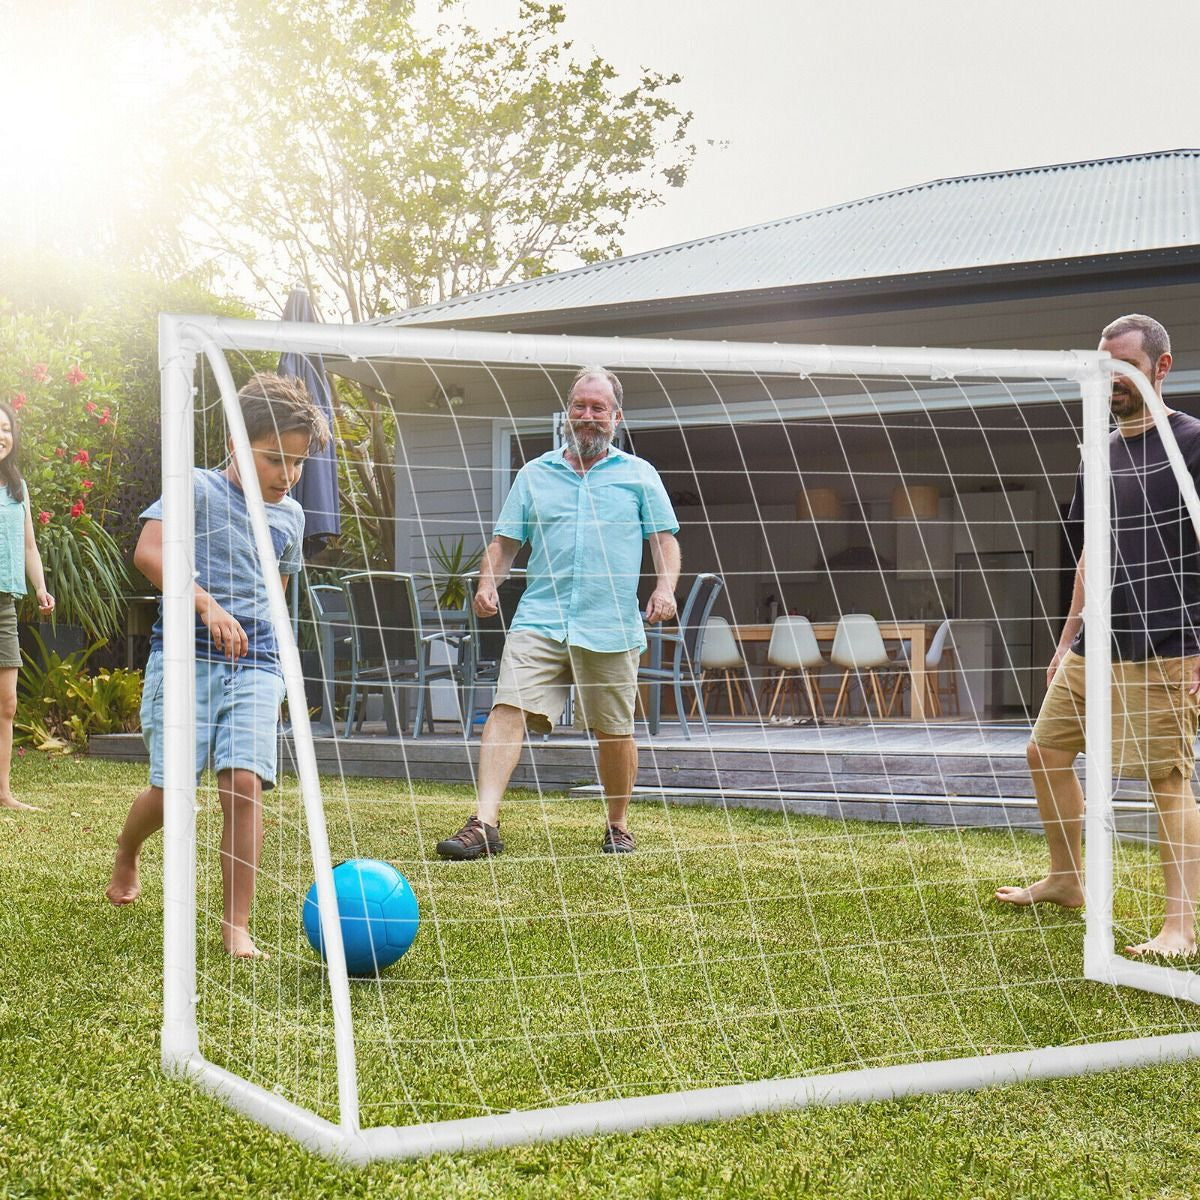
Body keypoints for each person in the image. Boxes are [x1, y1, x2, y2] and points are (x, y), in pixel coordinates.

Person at [996, 314, 1200, 958]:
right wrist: (1065, 641)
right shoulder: (1099, 450)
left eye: (1124, 366)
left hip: (1170, 645)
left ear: (1161, 368)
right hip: (1096, 643)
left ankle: (1180, 927)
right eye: (1103, 365)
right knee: (1044, 752)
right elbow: (1091, 553)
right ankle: (1066, 879)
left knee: (1166, 779)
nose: (1109, 378)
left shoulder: (1194, 443)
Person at [105, 373, 329, 959]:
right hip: (185, 655)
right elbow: (148, 552)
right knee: (173, 791)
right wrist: (205, 604)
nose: (288, 474)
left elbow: (277, 594)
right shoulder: (197, 488)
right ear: (236, 442)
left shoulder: (292, 517)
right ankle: (129, 851)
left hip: (255, 660)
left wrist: (281, 661)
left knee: (243, 784)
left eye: (298, 463)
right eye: (275, 458)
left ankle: (236, 926)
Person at [437, 366, 681, 859]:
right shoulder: (534, 474)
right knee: (508, 706)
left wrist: (665, 588)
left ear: (616, 416)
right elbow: (505, 543)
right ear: (567, 413)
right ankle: (484, 822)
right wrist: (488, 583)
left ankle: (617, 824)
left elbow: (663, 541)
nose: (587, 416)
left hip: (609, 621)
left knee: (615, 730)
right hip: (541, 618)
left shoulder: (639, 476)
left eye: (598, 408)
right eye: (579, 406)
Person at [0, 400, 54, 811]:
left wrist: (40, 587)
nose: (2, 435)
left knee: (7, 701)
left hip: (6, 604)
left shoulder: (18, 488)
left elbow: (30, 545)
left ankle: (3, 793)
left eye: (6, 428)